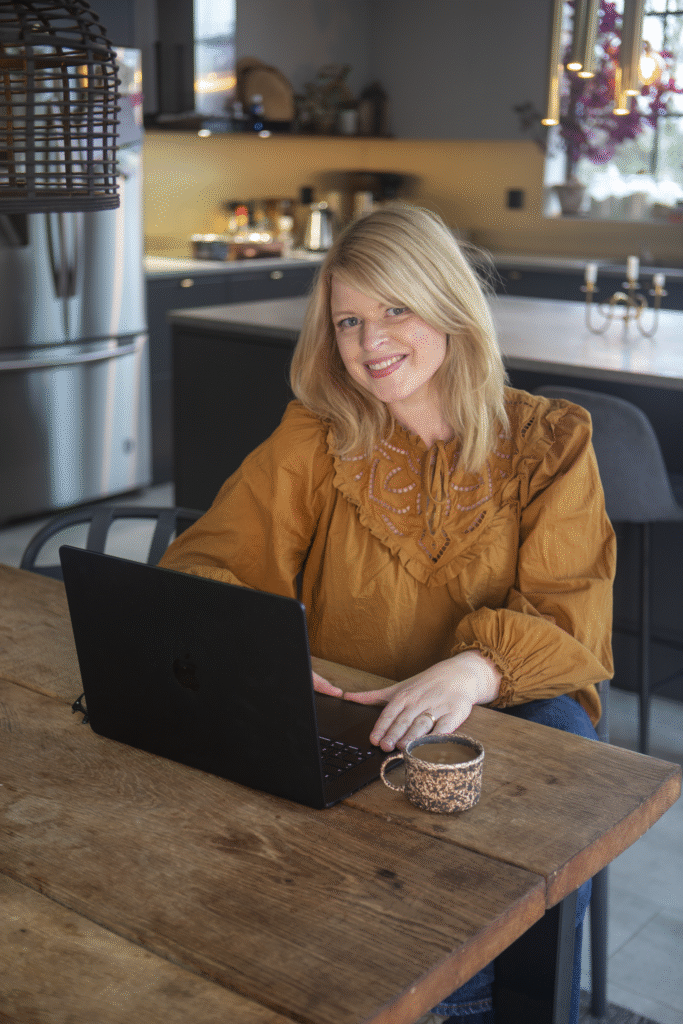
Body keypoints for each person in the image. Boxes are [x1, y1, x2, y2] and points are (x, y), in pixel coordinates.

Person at [160, 203, 615, 1024]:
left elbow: (572, 619)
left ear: (446, 304)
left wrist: (472, 670)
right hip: (348, 721)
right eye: (348, 321)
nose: (370, 343)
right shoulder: (317, 434)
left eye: (394, 309)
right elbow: (207, 561)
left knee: (527, 837)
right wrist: (251, 645)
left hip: (505, 722)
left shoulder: (550, 444)